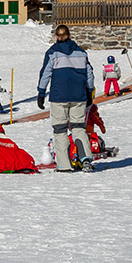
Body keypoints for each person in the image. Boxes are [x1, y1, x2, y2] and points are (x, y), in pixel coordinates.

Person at [37, 25, 95, 172]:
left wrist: (41, 93)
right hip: (79, 95)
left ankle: (64, 164)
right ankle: (86, 158)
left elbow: (45, 74)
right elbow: (89, 75)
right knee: (78, 128)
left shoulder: (52, 53)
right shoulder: (81, 53)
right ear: (69, 35)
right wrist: (89, 92)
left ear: (56, 36)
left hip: (59, 96)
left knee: (60, 130)